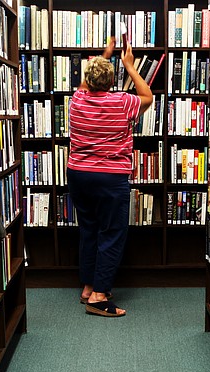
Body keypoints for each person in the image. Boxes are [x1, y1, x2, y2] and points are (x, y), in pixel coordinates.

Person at [67, 36, 153, 317]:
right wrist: (129, 66)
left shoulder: (77, 100)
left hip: (79, 174)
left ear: (88, 81)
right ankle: (100, 297)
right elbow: (148, 96)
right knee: (111, 233)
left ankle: (88, 286)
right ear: (110, 81)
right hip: (110, 177)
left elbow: (86, 82)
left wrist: (105, 54)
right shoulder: (123, 102)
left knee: (89, 229)